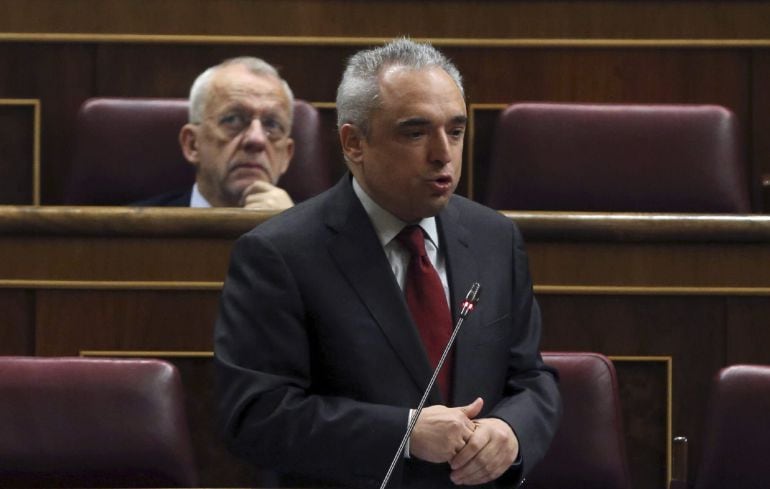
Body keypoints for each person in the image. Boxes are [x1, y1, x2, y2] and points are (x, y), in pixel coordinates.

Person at [214, 38, 561, 489]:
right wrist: (405, 433)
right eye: (415, 132)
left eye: (454, 131)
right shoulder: (278, 255)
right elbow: (256, 416)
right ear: (354, 142)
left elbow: (531, 378)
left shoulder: (495, 238)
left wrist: (511, 433)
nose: (443, 154)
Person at [138, 57, 296, 209]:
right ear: (192, 144)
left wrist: (292, 229)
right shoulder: (136, 230)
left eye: (272, 124)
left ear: (286, 156)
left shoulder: (314, 232)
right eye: (233, 120)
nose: (256, 139)